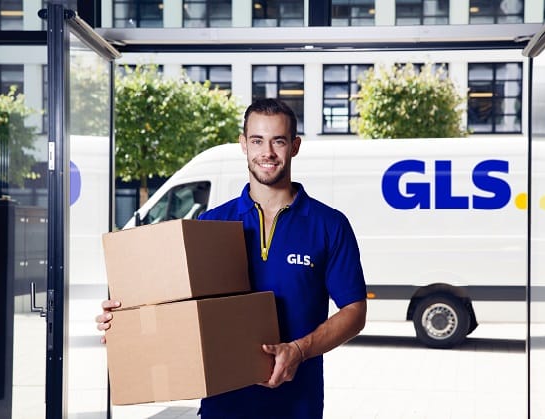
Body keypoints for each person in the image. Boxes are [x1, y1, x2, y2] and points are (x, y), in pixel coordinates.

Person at [96, 98, 367, 418]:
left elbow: (354, 310)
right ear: (243, 145)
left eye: (278, 141)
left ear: (294, 146)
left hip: (298, 406)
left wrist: (298, 350)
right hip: (223, 407)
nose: (267, 152)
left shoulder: (329, 224)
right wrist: (124, 318)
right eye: (257, 141)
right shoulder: (211, 224)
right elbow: (173, 306)